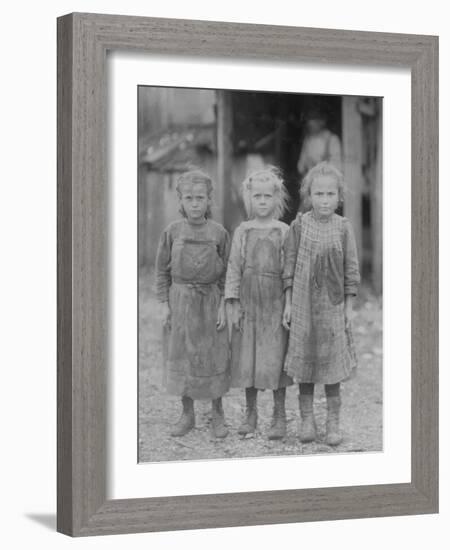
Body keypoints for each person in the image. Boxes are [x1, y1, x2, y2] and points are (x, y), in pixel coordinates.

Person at [282, 162, 360, 446]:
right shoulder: (299, 225)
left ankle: (332, 421)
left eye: (330, 194)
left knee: (331, 366)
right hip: (303, 306)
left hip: (332, 308)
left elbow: (351, 271)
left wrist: (348, 310)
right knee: (305, 363)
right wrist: (289, 303)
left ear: (339, 196)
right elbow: (288, 266)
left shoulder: (343, 227)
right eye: (318, 194)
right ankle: (306, 420)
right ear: (308, 195)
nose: (324, 200)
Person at [155, 170, 231, 438]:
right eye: (189, 198)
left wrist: (224, 304)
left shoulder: (219, 233)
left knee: (213, 355)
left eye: (201, 198)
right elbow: (161, 272)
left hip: (210, 302)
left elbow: (228, 274)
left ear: (209, 200)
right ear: (180, 200)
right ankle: (187, 415)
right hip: (181, 302)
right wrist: (165, 304)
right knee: (182, 356)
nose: (195, 203)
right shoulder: (172, 232)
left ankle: (217, 414)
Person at [225, 167, 293, 440]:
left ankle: (279, 415)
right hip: (249, 302)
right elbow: (234, 268)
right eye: (257, 196)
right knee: (247, 358)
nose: (262, 201)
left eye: (267, 196)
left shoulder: (285, 231)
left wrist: (289, 304)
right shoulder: (242, 231)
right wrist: (233, 302)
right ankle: (250, 413)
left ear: (277, 198)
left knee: (275, 358)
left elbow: (289, 271)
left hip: (275, 302)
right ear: (249, 198)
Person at [297, 109, 342, 181]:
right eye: (309, 119)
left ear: (322, 121)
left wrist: (320, 167)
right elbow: (300, 166)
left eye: (314, 119)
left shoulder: (332, 139)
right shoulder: (308, 139)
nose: (310, 123)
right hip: (310, 182)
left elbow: (337, 167)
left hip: (326, 182)